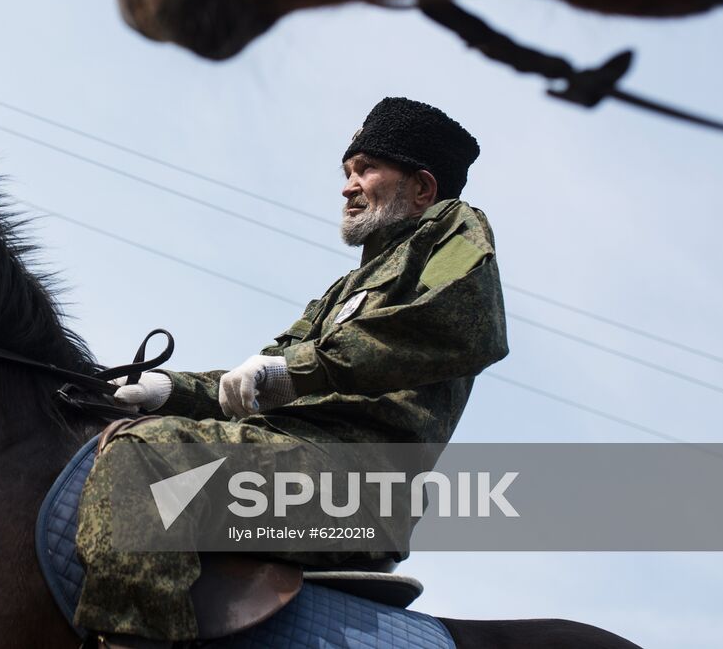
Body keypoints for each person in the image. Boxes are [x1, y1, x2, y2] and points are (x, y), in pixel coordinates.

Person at [73, 97, 509, 645]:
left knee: (147, 458)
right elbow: (253, 382)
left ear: (422, 188)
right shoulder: (341, 292)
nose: (348, 186)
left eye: (366, 169)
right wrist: (167, 390)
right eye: (347, 172)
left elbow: (460, 324)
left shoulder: (452, 227)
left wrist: (297, 371)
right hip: (285, 455)